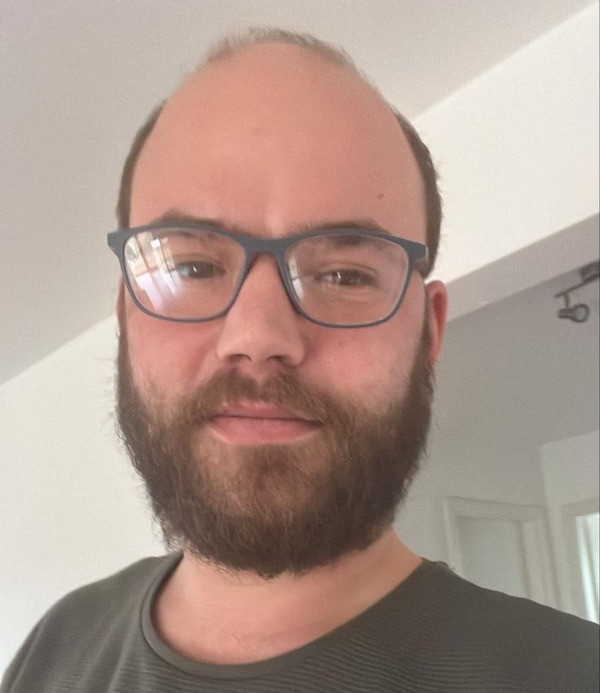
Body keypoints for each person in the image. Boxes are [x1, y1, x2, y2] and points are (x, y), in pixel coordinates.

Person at [2, 28, 597, 693]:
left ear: (429, 332)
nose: (258, 335)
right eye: (193, 266)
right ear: (125, 315)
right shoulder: (55, 648)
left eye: (344, 275)